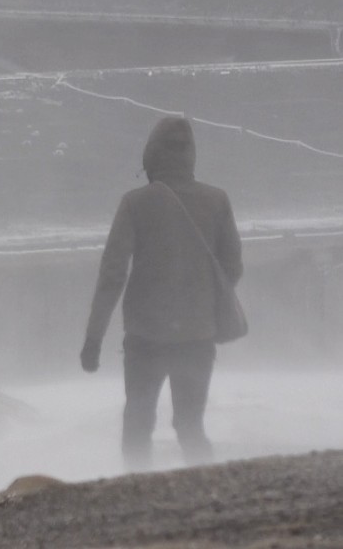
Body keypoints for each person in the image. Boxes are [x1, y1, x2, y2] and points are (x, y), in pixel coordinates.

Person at [80, 116, 243, 471]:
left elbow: (112, 275)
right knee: (190, 426)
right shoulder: (217, 200)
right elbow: (233, 269)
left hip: (145, 338)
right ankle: (208, 498)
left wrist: (93, 339)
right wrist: (199, 299)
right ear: (191, 155)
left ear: (150, 156)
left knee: (138, 424)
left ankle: (135, 500)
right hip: (198, 337)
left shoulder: (135, 203)